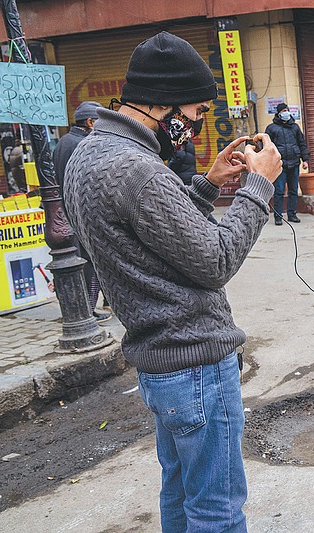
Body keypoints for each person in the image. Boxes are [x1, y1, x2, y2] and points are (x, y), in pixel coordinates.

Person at [62, 31, 282, 532]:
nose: (200, 123)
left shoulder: (89, 155)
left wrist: (206, 184)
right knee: (218, 511)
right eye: (199, 112)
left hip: (161, 364)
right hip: (195, 364)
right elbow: (214, 260)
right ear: (167, 107)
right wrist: (258, 187)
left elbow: (152, 241)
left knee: (181, 496)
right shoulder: (139, 170)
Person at [52, 100, 111, 322]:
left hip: (68, 212)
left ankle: (87, 308)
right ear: (90, 122)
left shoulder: (65, 141)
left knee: (84, 262)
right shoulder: (82, 144)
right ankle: (86, 310)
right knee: (88, 263)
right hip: (79, 214)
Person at [265, 103, 309, 225]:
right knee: (279, 191)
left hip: (294, 163)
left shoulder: (294, 127)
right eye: (284, 110)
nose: (286, 112)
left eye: (287, 110)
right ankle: (278, 217)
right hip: (280, 165)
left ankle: (292, 214)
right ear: (279, 113)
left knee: (293, 190)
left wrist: (305, 160)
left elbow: (302, 144)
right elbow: (267, 147)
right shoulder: (271, 128)